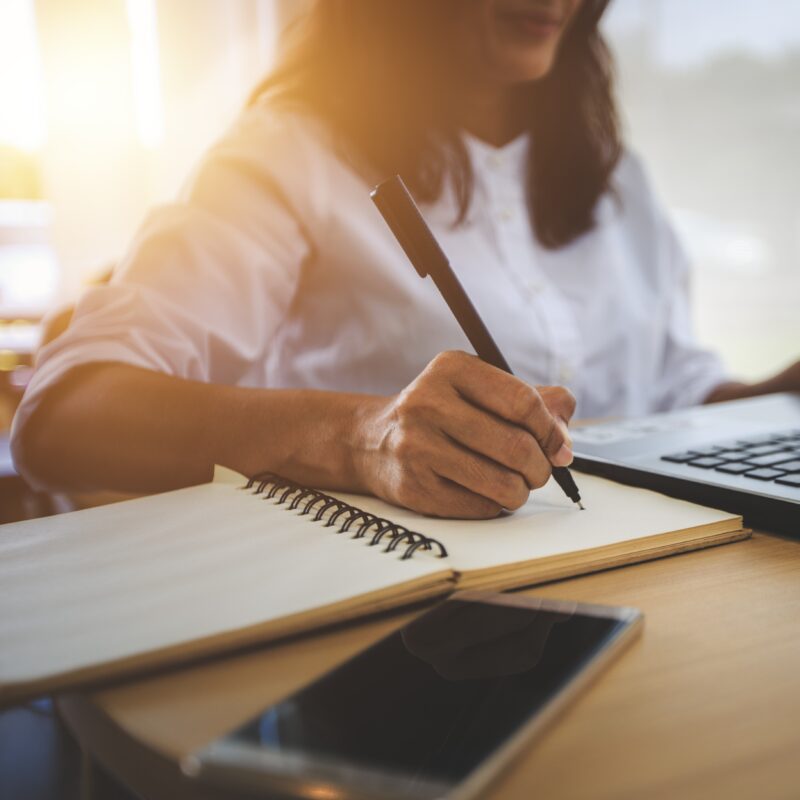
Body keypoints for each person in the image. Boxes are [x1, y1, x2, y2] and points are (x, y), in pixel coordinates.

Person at [11, 0, 799, 519]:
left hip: (652, 586)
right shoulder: (286, 156)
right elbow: (62, 418)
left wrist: (779, 394)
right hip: (400, 626)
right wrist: (363, 437)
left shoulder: (616, 179)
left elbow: (677, 394)